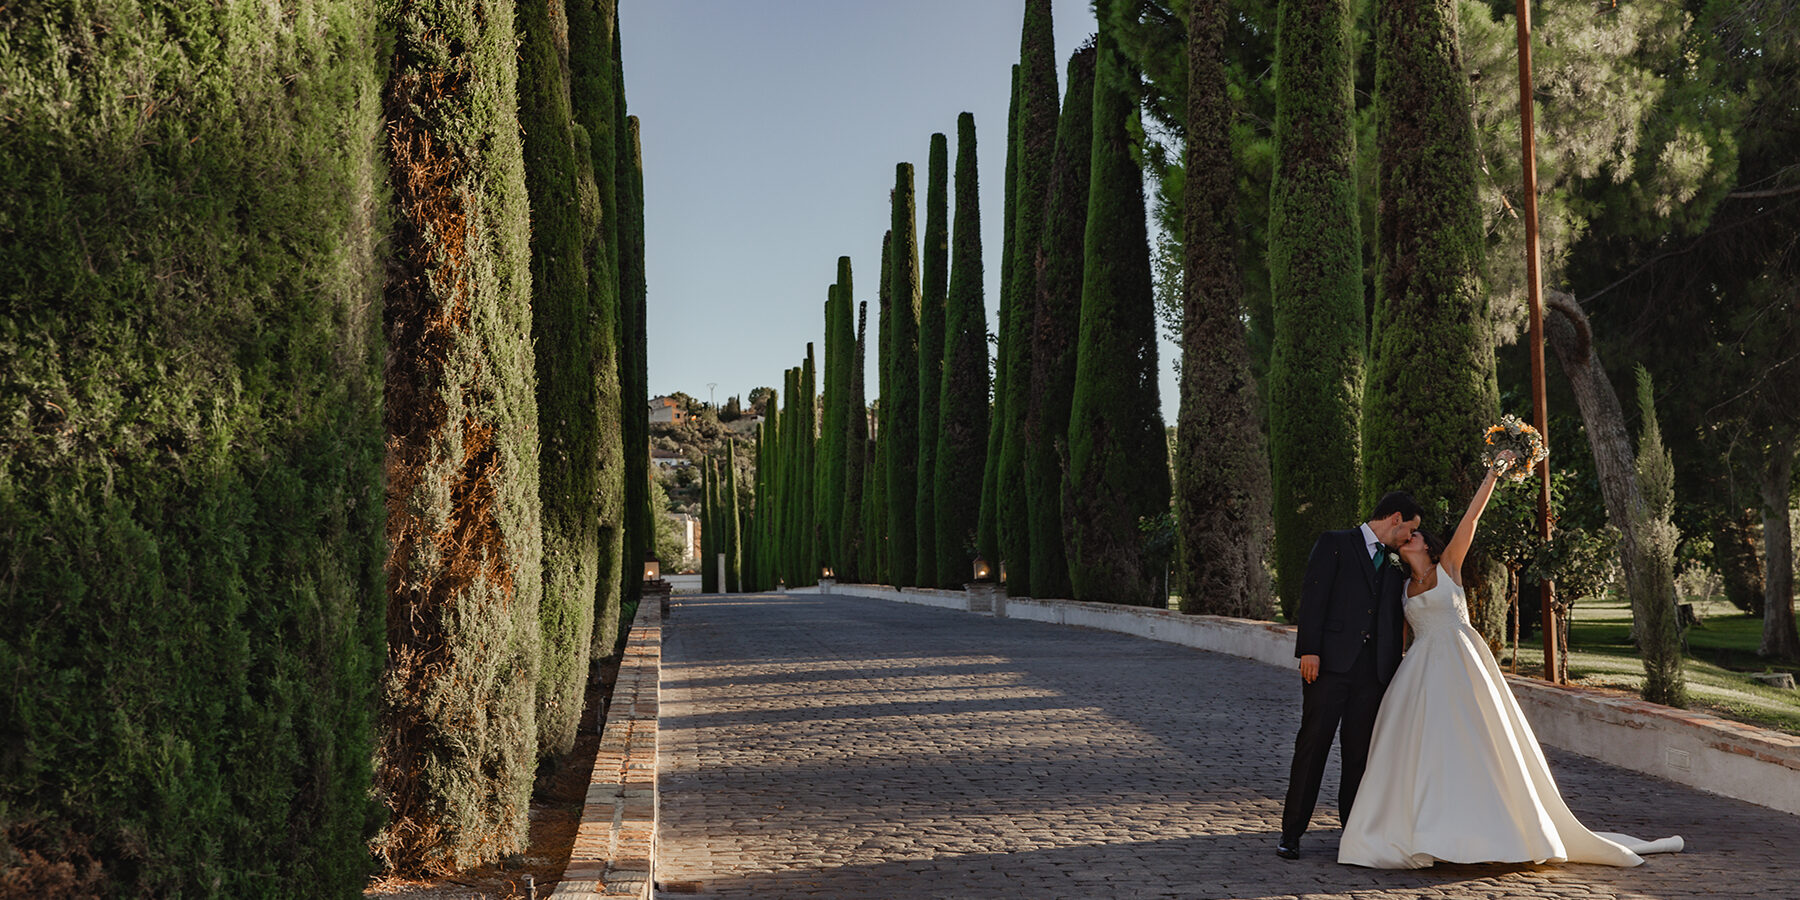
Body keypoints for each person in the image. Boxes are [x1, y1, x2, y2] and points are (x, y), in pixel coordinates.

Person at [1338, 451, 1683, 868]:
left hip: (1463, 666)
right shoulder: (1399, 586)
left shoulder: (1449, 566)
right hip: (1421, 675)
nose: (1407, 537)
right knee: (1421, 752)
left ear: (1428, 544)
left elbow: (1472, 520)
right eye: (1406, 534)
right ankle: (1422, 832)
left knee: (1478, 744)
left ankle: (1492, 830)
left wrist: (1492, 474)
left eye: (1415, 534)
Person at [1276, 492, 1424, 860]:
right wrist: (1308, 649)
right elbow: (1313, 597)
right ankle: (1291, 833)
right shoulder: (1335, 543)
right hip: (1328, 666)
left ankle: (1353, 833)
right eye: (1409, 529)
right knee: (1313, 747)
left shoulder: (1396, 563)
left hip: (1373, 674)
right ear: (1395, 517)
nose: (1409, 537)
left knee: (1359, 756)